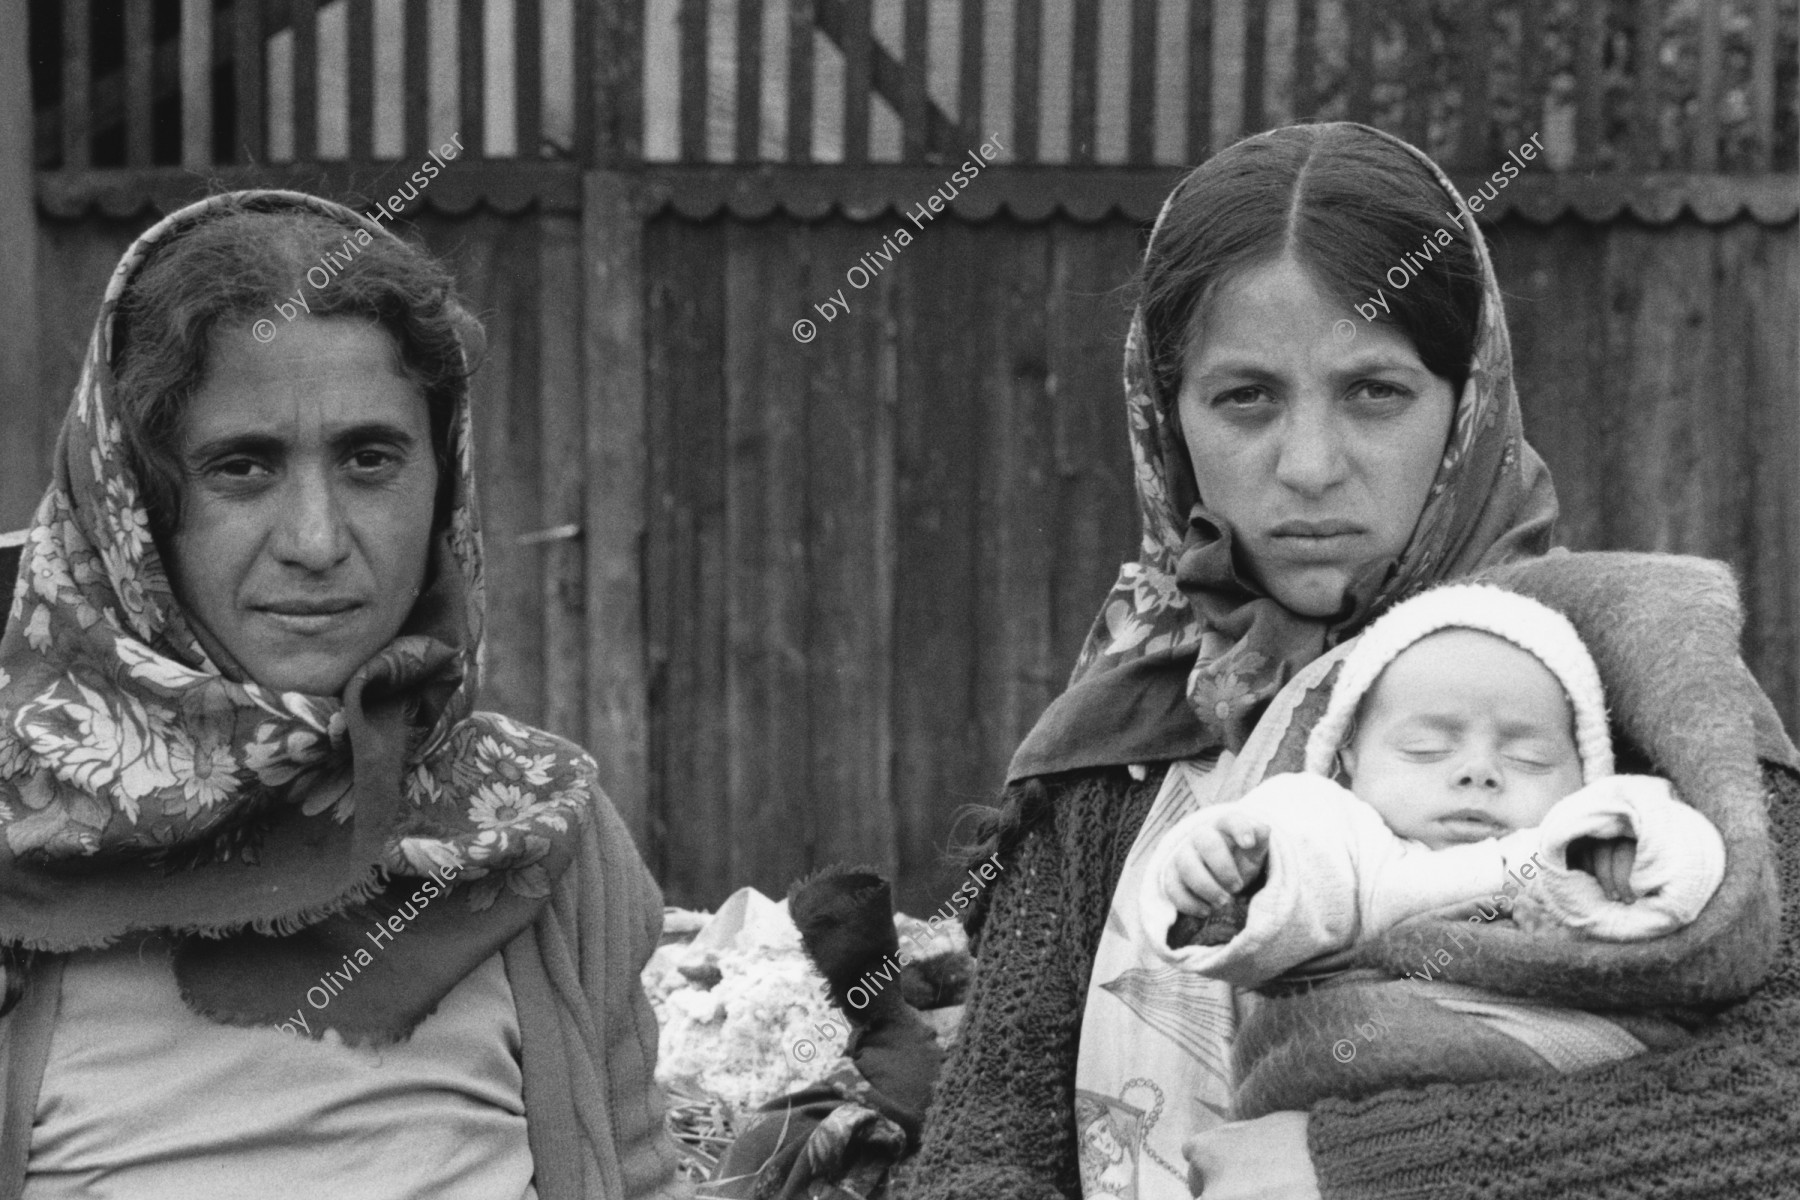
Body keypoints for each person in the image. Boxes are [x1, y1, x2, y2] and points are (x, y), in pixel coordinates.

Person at [902, 122, 1800, 1200]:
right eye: (1247, 397)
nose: (1310, 466)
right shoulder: (1134, 726)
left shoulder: (1608, 689)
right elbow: (987, 1142)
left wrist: (1351, 1166)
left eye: (1375, 391)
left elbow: (1777, 1088)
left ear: (1467, 399)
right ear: (1163, 412)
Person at [0, 190, 689, 1199]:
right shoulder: (23, 829)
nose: (317, 541)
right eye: (244, 466)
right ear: (136, 503)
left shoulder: (540, 832)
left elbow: (635, 1176)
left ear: (442, 485)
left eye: (370, 459)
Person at [1140, 583, 1734, 1118]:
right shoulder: (1349, 837)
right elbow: (1298, 874)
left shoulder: (1578, 832)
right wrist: (1236, 875)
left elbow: (1689, 859)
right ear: (1348, 756)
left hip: (1573, 1064)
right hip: (1372, 1053)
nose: (1479, 772)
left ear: (1584, 770)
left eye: (1529, 757)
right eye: (1427, 747)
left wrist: (1629, 856)